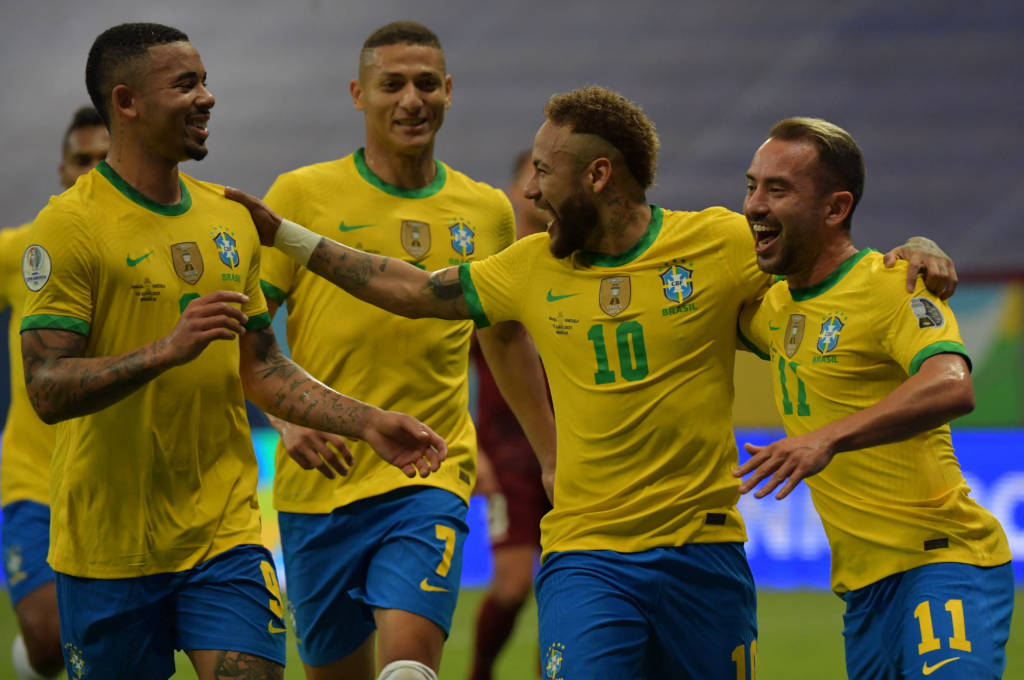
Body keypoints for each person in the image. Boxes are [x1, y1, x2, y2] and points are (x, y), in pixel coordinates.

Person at [228, 86, 956, 679]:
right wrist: (285, 233)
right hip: (587, 553)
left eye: (545, 172)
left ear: (599, 176)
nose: (530, 189)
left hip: (705, 554)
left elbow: (825, 268)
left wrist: (915, 252)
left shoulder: (717, 242)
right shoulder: (528, 267)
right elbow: (411, 288)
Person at [19, 23, 445, 680]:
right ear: (127, 102)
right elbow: (46, 387)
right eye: (185, 84)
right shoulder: (68, 227)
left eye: (205, 81)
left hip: (225, 537)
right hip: (106, 549)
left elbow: (263, 367)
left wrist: (366, 421)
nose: (207, 97)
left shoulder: (229, 218)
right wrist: (166, 350)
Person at [256, 21, 554, 680]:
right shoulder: (300, 196)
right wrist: (285, 418)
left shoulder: (486, 211)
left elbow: (505, 339)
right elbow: (244, 332)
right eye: (392, 84)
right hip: (321, 482)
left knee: (410, 664)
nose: (411, 100)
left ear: (449, 91)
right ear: (358, 94)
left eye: (426, 84)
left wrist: (552, 457)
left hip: (428, 473)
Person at [734, 117, 1013, 679]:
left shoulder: (892, 284)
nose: (755, 205)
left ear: (835, 208)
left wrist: (825, 439)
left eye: (778, 189)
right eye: (752, 185)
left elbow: (951, 383)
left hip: (941, 562)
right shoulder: (773, 309)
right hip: (863, 593)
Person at [0, 105, 108, 680]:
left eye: (104, 159)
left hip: (116, 484)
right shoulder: (25, 252)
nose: (91, 172)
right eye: (81, 160)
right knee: (47, 639)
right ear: (62, 170)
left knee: (108, 648)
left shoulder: (161, 247)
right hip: (33, 478)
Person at [467, 151, 551, 680]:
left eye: (549, 176)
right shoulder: (491, 270)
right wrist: (471, 446)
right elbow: (449, 364)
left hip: (574, 449)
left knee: (571, 585)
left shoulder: (578, 266)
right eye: (531, 177)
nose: (540, 188)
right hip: (508, 453)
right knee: (514, 584)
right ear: (513, 190)